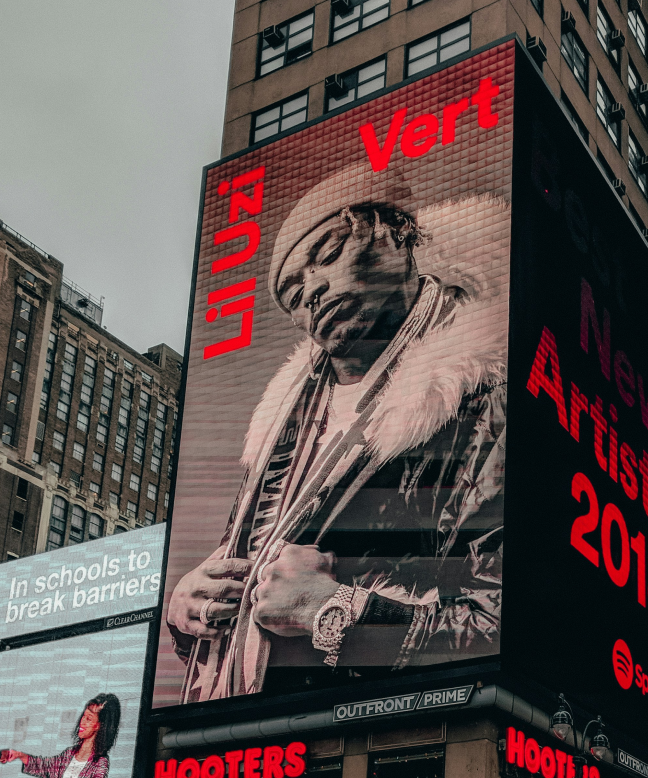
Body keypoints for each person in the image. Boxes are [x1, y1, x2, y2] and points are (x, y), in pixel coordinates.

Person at [168, 164, 509, 702]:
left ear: (398, 232)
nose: (314, 290)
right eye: (292, 292)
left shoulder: (483, 390)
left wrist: (335, 611)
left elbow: (502, 626)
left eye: (327, 255)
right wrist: (190, 608)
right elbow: (257, 596)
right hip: (245, 741)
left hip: (385, 741)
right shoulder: (281, 429)